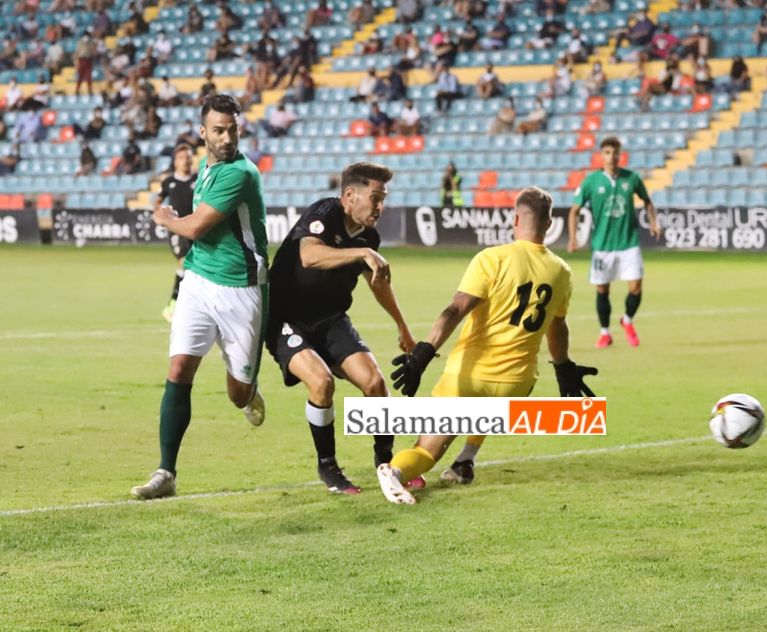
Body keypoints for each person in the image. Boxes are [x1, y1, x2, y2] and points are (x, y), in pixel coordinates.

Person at [377, 187, 598, 503]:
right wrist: (563, 367)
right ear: (550, 224)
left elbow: (456, 309)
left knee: (426, 450)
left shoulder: (493, 258)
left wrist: (423, 353)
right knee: (485, 411)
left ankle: (394, 472)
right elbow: (557, 326)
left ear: (515, 218)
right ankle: (466, 459)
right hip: (516, 383)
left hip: (468, 375)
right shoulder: (561, 271)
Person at [131, 94, 269, 500]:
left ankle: (248, 389)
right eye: (219, 130)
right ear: (203, 133)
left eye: (234, 129)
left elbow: (195, 228)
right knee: (178, 372)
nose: (228, 138)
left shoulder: (240, 174)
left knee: (237, 393)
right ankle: (165, 472)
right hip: (198, 282)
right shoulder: (206, 169)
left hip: (242, 290)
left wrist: (166, 219)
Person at [266, 162, 414, 494]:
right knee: (321, 382)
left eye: (383, 198)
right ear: (350, 195)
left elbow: (377, 282)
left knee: (375, 383)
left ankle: (385, 462)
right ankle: (328, 467)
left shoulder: (369, 236)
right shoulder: (326, 212)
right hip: (288, 319)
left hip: (331, 319)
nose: (380, 207)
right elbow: (309, 255)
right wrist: (362, 252)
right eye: (375, 197)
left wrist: (402, 325)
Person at [567, 137, 660, 349]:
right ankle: (605, 333)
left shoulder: (632, 178)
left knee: (636, 287)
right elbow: (574, 211)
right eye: (608, 152)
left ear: (620, 155)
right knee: (602, 290)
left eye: (615, 153)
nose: (612, 157)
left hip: (629, 243)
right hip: (602, 246)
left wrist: (653, 222)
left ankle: (627, 320)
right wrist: (573, 238)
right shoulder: (591, 182)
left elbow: (647, 201)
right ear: (602, 155)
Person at [156, 144, 198, 323]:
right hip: (175, 229)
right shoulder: (169, 182)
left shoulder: (198, 179)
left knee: (192, 267)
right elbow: (158, 200)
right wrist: (160, 216)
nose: (185, 160)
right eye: (181, 157)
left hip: (194, 228)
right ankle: (172, 304)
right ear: (175, 161)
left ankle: (183, 304)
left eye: (188, 157)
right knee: (184, 262)